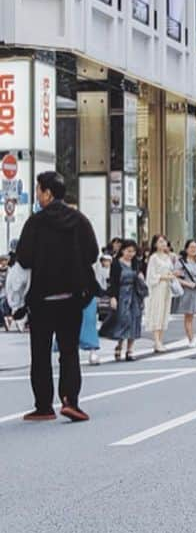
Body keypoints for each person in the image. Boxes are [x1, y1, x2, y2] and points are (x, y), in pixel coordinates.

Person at [15, 170, 99, 423]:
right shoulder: (79, 220)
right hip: (72, 297)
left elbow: (24, 258)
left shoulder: (35, 223)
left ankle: (43, 406)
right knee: (69, 351)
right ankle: (70, 401)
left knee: (40, 353)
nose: (38, 195)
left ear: (48, 193)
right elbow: (93, 254)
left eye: (39, 190)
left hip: (42, 298)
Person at [105, 239, 147, 360]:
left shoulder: (136, 263)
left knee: (135, 320)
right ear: (123, 250)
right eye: (129, 251)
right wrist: (113, 297)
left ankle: (130, 350)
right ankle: (119, 345)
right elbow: (113, 282)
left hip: (134, 294)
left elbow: (140, 276)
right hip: (122, 294)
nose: (131, 254)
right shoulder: (116, 264)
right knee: (124, 320)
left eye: (133, 251)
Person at [145, 236, 177, 353]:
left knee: (164, 313)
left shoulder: (168, 257)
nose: (163, 243)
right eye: (160, 241)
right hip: (157, 287)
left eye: (164, 241)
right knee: (157, 312)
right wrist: (165, 277)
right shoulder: (153, 258)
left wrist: (172, 274)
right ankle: (157, 341)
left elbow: (170, 270)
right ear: (155, 244)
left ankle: (160, 340)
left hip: (167, 288)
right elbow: (151, 276)